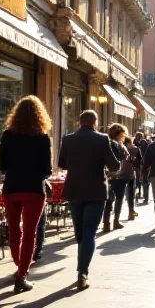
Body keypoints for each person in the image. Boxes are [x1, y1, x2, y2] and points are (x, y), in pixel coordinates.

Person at [59, 110, 121, 290]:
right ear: (95, 122)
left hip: (74, 189)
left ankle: (82, 265)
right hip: (96, 190)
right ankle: (83, 271)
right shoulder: (102, 139)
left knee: (80, 232)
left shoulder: (68, 139)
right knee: (89, 231)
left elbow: (62, 164)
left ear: (79, 122)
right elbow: (114, 165)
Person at [0, 96, 53, 294]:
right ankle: (22, 274)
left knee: (14, 229)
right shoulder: (43, 137)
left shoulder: (7, 135)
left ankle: (19, 265)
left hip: (11, 187)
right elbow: (47, 169)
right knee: (30, 231)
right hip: (33, 189)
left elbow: (2, 165)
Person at [104, 123, 133, 232]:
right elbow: (125, 160)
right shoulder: (119, 145)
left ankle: (106, 222)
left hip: (108, 176)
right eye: (123, 133)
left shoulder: (106, 143)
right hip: (120, 176)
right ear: (119, 134)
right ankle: (115, 221)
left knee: (109, 199)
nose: (124, 136)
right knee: (119, 198)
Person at [124, 137, 141, 220]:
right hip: (131, 174)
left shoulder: (120, 147)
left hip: (119, 174)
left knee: (119, 195)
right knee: (131, 194)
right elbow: (139, 162)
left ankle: (111, 218)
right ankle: (131, 212)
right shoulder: (136, 149)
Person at [133, 132, 150, 201]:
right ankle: (144, 196)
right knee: (144, 180)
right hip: (143, 164)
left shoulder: (136, 143)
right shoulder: (144, 143)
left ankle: (138, 195)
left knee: (139, 180)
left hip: (138, 164)